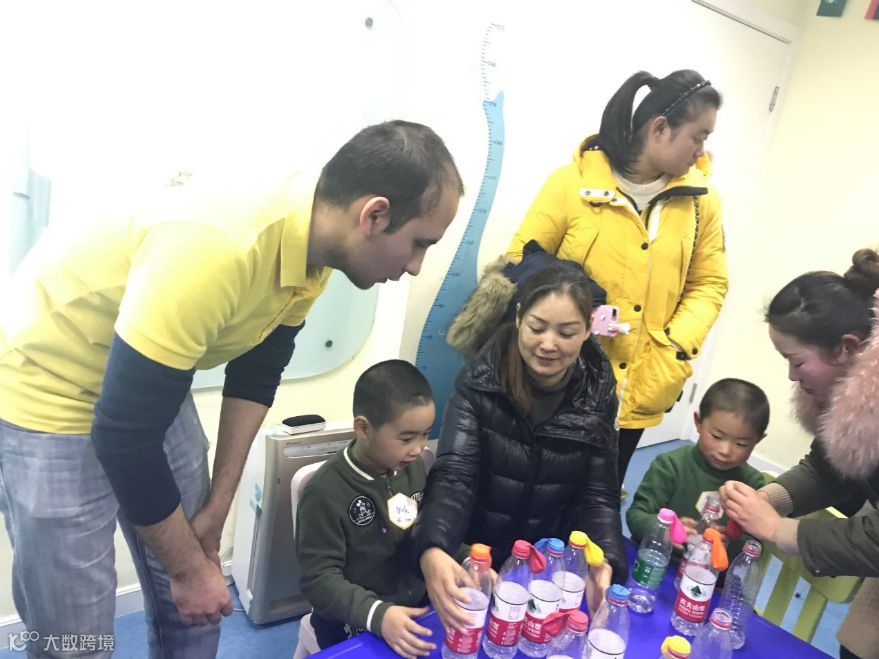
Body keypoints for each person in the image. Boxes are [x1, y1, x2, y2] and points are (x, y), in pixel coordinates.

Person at [0, 120, 462, 658]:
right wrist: (187, 569)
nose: (415, 266)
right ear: (374, 215)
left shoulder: (315, 247)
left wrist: (218, 506)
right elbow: (124, 435)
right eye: (419, 243)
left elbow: (257, 371)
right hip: (46, 389)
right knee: (75, 639)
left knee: (198, 604)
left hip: (142, 382)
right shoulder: (221, 247)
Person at [506, 69, 728, 488]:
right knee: (536, 487)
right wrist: (582, 305)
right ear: (660, 128)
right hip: (562, 372)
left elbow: (709, 283)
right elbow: (521, 259)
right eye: (698, 137)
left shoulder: (702, 202)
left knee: (601, 495)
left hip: (641, 381)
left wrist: (672, 343)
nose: (702, 151)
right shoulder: (572, 183)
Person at [412, 261, 625, 631]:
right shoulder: (480, 380)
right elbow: (455, 475)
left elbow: (598, 495)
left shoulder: (598, 394)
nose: (548, 344)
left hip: (545, 570)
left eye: (567, 332)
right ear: (518, 317)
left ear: (588, 330)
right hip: (475, 558)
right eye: (537, 328)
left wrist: (604, 559)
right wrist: (434, 546)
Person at [719, 248, 879, 659]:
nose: (791, 375)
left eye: (796, 361)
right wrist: (765, 501)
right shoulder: (854, 401)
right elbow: (827, 469)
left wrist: (779, 531)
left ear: (846, 348)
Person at [296, 359, 457, 659]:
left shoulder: (412, 467)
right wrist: (378, 615)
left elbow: (426, 529)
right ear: (363, 428)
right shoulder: (324, 492)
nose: (418, 448)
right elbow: (318, 579)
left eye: (425, 434)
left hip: (414, 605)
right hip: (352, 619)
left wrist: (466, 559)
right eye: (406, 438)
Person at [627, 378, 769, 558]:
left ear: (757, 440)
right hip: (654, 559)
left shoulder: (753, 484)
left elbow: (755, 543)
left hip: (708, 571)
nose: (725, 451)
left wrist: (729, 545)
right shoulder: (670, 465)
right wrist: (663, 529)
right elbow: (636, 515)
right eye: (716, 436)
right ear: (698, 422)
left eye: (741, 444)